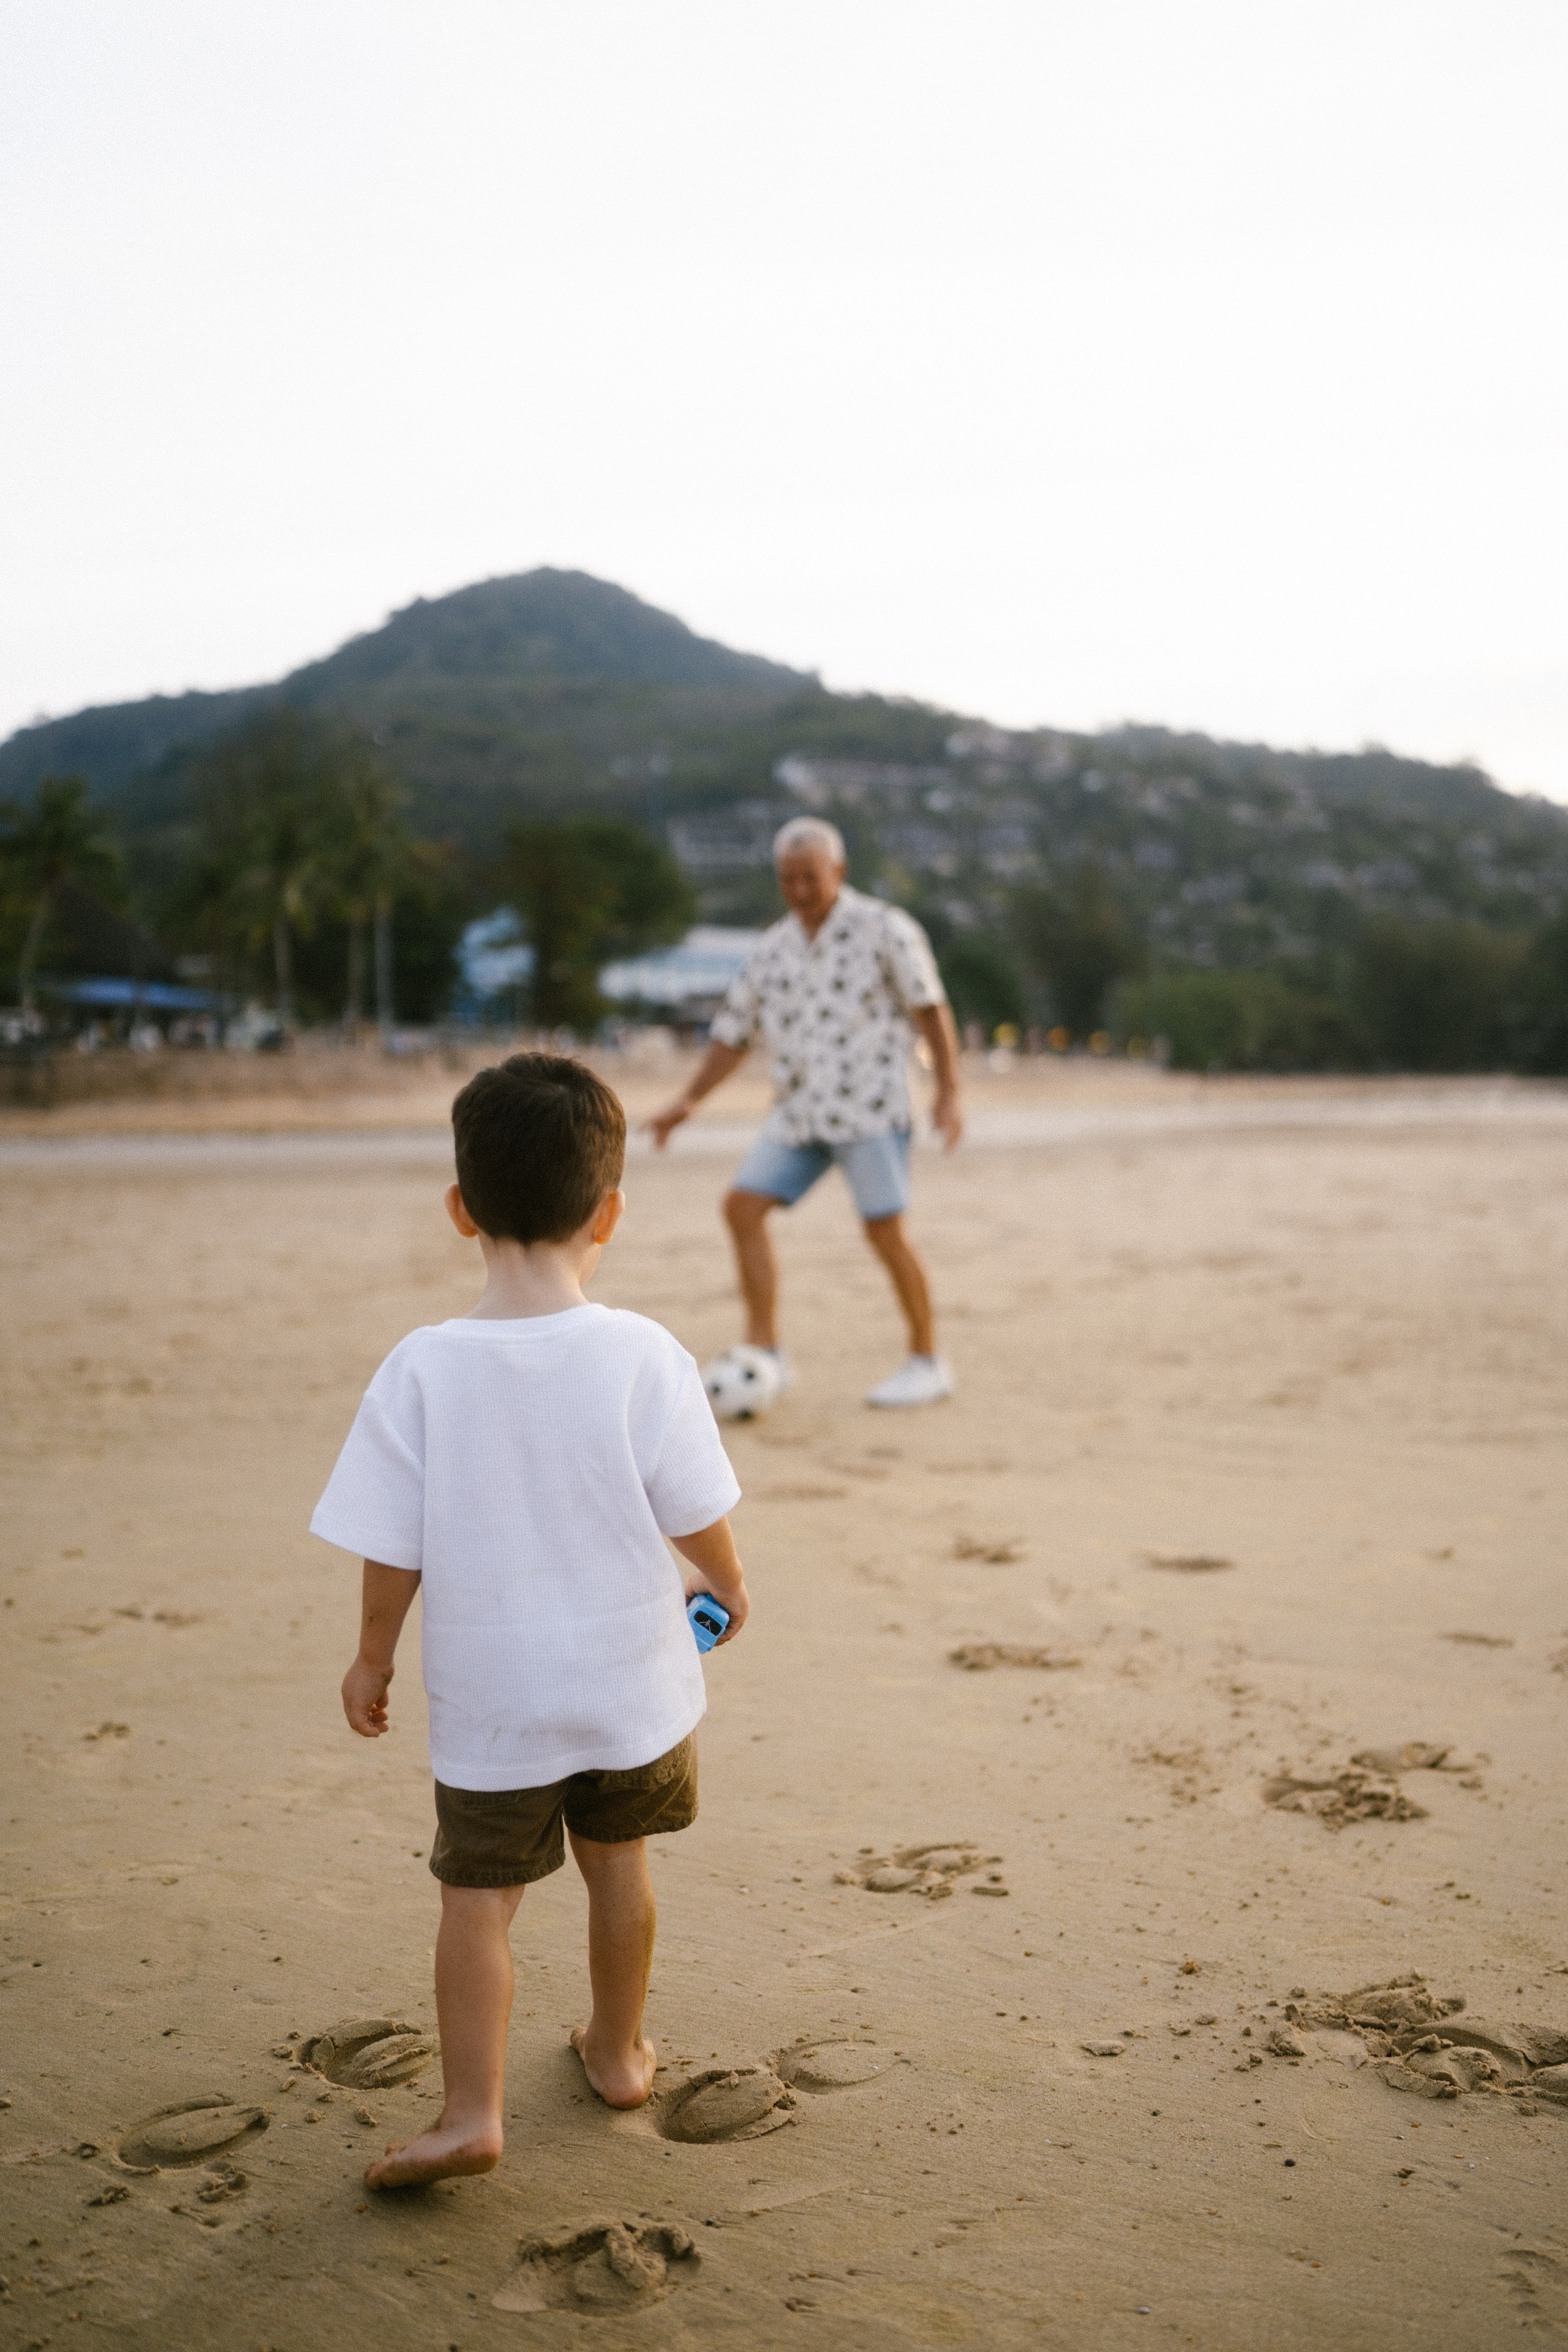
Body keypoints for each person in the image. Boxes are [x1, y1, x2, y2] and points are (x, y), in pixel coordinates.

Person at [312, 1053, 749, 2191]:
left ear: (462, 1211)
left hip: (493, 1704)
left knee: (478, 1901)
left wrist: (371, 1658)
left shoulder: (422, 1369)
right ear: (610, 1211)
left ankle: (471, 2114)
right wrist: (729, 1588)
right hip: (632, 1684)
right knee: (621, 1870)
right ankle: (616, 2051)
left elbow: (390, 1543)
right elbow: (696, 1512)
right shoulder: (644, 1354)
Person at [647, 817, 964, 1408]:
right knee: (742, 1208)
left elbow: (930, 1009)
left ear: (838, 871)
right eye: (787, 880)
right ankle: (766, 1350)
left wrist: (949, 1092)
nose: (798, 891)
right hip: (798, 1114)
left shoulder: (886, 928)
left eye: (810, 878)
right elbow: (733, 1034)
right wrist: (686, 1102)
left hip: (869, 1110)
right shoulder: (771, 949)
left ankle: (927, 1361)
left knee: (885, 1232)